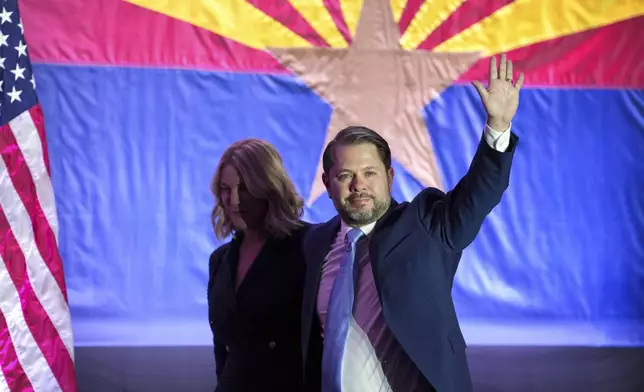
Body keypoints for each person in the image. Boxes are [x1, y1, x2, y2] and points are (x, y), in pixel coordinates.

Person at [300, 54, 523, 392]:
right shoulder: (312, 245)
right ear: (327, 182)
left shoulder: (426, 225)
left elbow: (479, 194)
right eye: (346, 175)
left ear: (389, 176)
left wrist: (498, 128)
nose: (358, 185)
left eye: (370, 173)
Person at [207, 138, 312, 392]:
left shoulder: (309, 246)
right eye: (225, 188)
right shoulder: (220, 260)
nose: (233, 200)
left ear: (269, 187)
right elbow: (223, 351)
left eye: (244, 188)